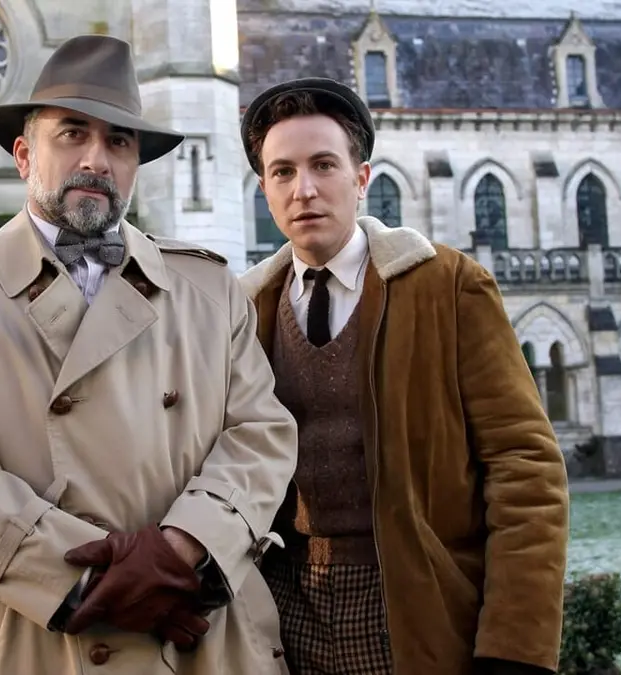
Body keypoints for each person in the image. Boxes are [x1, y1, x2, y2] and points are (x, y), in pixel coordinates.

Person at [0, 35, 297, 674]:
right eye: (72, 134)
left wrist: (181, 550)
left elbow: (261, 435)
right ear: (24, 155)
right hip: (33, 635)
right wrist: (91, 583)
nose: (97, 159)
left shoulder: (208, 287)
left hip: (197, 630)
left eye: (119, 142)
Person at [238, 77, 570, 675]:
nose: (304, 189)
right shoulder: (243, 311)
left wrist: (515, 648)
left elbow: (525, 469)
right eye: (283, 172)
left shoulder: (448, 287)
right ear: (265, 190)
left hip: (414, 608)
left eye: (324, 165)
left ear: (361, 178)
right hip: (281, 616)